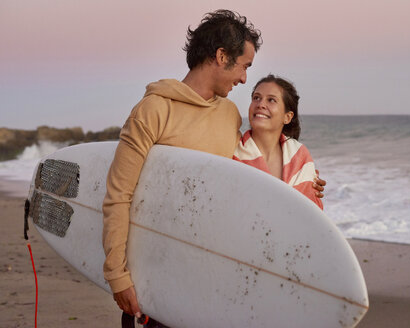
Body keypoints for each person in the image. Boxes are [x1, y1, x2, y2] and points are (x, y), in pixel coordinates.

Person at [102, 9, 325, 327]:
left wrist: (303, 183)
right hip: (160, 273)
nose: (245, 78)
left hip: (211, 276)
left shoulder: (229, 113)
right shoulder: (154, 110)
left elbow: (246, 176)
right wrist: (117, 275)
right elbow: (118, 194)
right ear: (222, 56)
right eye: (245, 66)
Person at [234, 75, 324, 209]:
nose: (261, 104)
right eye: (256, 98)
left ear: (287, 117)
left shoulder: (299, 156)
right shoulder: (231, 150)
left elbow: (311, 214)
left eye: (271, 100)